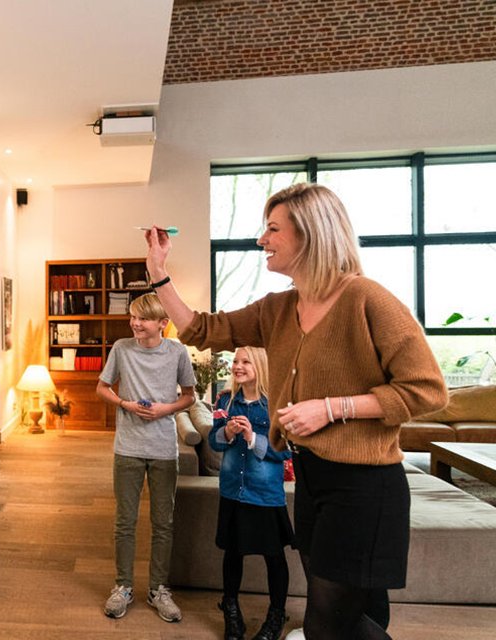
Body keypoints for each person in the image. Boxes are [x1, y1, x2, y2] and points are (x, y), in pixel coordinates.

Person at [145, 183, 447, 640]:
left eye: (272, 229)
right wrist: (158, 272)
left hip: (364, 486)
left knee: (326, 622)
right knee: (354, 618)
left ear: (310, 234)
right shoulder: (279, 308)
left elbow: (427, 390)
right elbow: (200, 329)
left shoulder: (367, 299)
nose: (261, 239)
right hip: (311, 478)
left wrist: (333, 408)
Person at [95, 292, 197, 622]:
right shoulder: (122, 349)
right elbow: (102, 388)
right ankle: (123, 586)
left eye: (143, 319)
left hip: (163, 449)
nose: (135, 323)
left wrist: (166, 408)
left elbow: (189, 397)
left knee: (163, 523)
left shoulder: (177, 351)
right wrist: (125, 404)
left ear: (162, 324)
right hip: (127, 448)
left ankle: (158, 590)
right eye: (134, 317)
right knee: (125, 522)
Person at [209, 346, 293, 640]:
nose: (237, 366)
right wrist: (228, 433)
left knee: (273, 556)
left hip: (265, 494)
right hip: (232, 492)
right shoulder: (223, 400)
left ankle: (276, 615)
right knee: (233, 552)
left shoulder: (277, 405)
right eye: (235, 361)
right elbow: (214, 442)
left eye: (245, 361)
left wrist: (252, 437)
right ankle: (231, 611)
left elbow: (286, 452)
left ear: (260, 366)